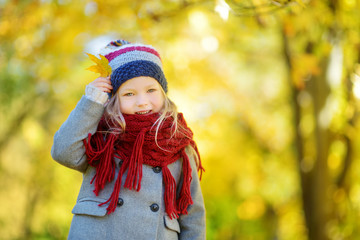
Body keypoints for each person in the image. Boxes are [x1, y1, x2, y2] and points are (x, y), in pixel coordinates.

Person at [51, 39, 206, 240]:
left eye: (151, 90)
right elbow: (63, 151)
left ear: (163, 92)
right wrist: (91, 102)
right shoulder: (102, 136)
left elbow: (193, 215)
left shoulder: (178, 142)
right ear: (114, 99)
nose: (142, 102)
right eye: (129, 93)